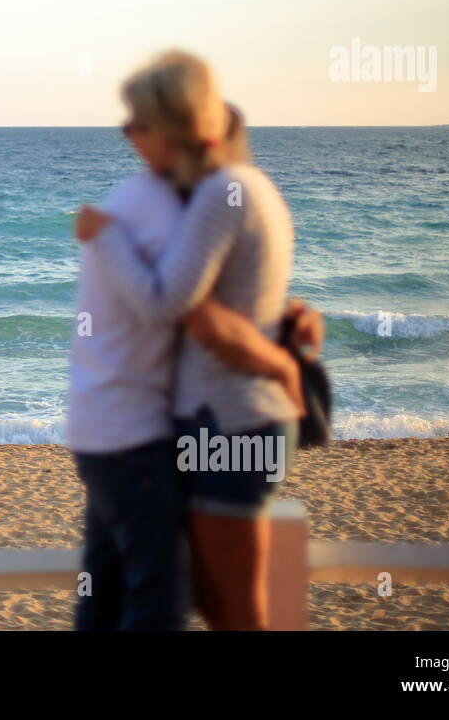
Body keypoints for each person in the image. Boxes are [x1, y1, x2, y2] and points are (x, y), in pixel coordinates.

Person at [75, 50, 313, 630]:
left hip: (230, 420)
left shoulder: (219, 193)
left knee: (228, 611)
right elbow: (241, 301)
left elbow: (171, 305)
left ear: (176, 126)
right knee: (212, 600)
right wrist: (285, 342)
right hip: (232, 419)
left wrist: (103, 237)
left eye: (138, 123)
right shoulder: (250, 185)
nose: (124, 133)